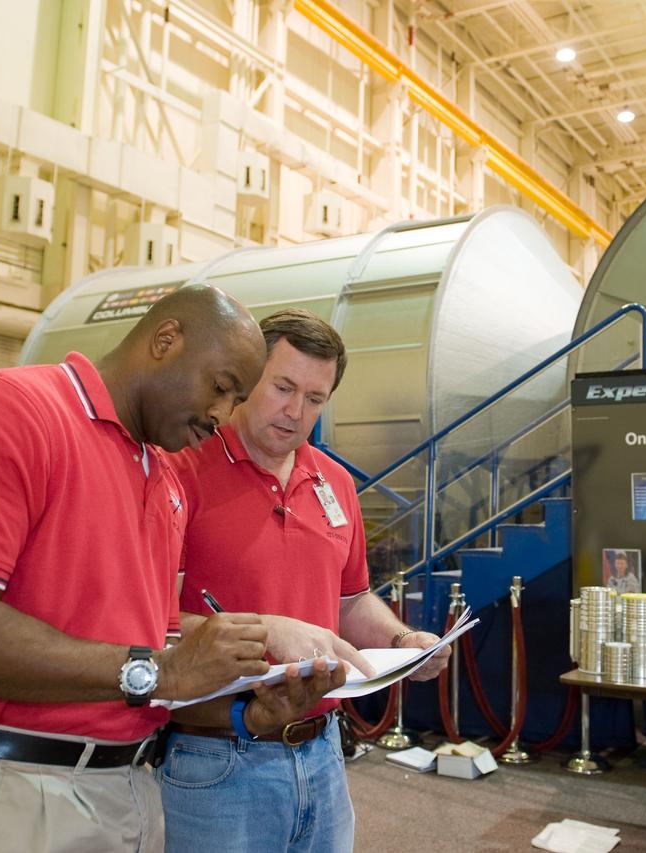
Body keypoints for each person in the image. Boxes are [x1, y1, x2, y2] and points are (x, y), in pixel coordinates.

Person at [0, 285, 345, 853]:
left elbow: (146, 637)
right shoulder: (8, 410)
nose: (223, 416)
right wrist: (157, 673)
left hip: (125, 788)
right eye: (220, 388)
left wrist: (245, 713)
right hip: (2, 787)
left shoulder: (162, 476)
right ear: (165, 340)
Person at [159, 308, 450, 853]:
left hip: (323, 756)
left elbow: (351, 597)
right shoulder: (183, 468)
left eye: (315, 399)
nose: (296, 412)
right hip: (215, 755)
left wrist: (401, 642)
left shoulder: (334, 482)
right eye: (283, 387)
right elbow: (149, 615)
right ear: (248, 379)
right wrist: (260, 631)